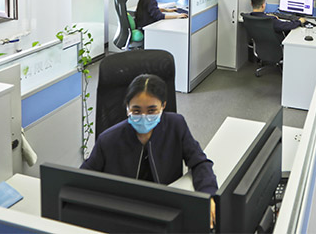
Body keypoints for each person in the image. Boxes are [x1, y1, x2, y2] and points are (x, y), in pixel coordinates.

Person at [82, 75, 217, 226]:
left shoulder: (176, 125)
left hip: (167, 210)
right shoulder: (108, 140)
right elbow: (82, 179)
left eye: (152, 110)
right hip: (123, 213)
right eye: (136, 111)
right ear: (127, 107)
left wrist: (208, 196)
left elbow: (199, 162)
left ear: (163, 105)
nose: (144, 117)